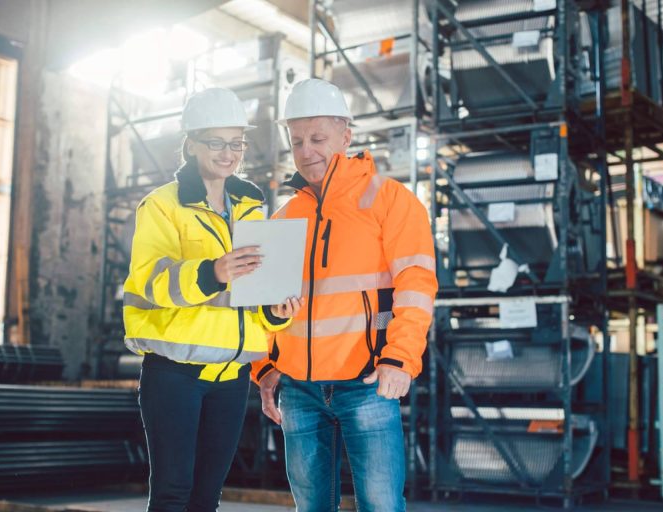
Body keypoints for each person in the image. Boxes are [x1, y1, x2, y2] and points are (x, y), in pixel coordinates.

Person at [251, 79, 437, 511]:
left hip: (368, 381)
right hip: (298, 389)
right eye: (296, 141)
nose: (306, 151)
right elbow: (262, 306)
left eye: (318, 138)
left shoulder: (390, 200)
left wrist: (401, 359)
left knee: (380, 506)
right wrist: (264, 370)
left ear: (346, 136)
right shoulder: (282, 217)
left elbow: (417, 285)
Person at [122, 87, 303, 512]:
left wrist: (275, 313)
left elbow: (254, 294)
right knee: (172, 494)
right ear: (190, 144)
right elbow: (150, 281)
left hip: (232, 377)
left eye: (236, 143)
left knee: (206, 499)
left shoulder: (251, 203)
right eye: (216, 142)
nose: (229, 153)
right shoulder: (162, 205)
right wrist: (213, 272)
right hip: (175, 375)